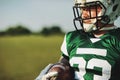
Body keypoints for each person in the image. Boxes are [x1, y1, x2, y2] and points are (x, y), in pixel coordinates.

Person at [35, 0, 120, 80]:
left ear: (112, 8)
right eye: (82, 9)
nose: (84, 14)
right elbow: (64, 63)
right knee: (48, 69)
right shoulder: (73, 37)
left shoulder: (117, 38)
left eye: (90, 7)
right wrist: (60, 69)